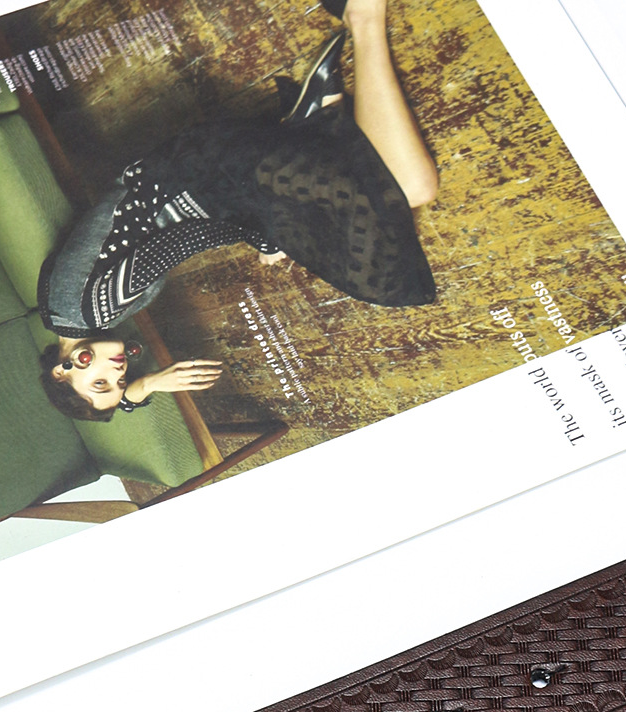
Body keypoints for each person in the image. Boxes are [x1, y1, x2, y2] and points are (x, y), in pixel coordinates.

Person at [39, 0, 438, 418]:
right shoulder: (55, 310)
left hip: (217, 173)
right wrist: (140, 389)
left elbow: (186, 238)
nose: (118, 374)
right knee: (353, 211)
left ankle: (362, 19)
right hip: (193, 167)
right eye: (119, 382)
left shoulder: (97, 308)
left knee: (411, 193)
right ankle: (317, 116)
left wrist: (265, 240)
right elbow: (114, 396)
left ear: (61, 372)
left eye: (101, 382)